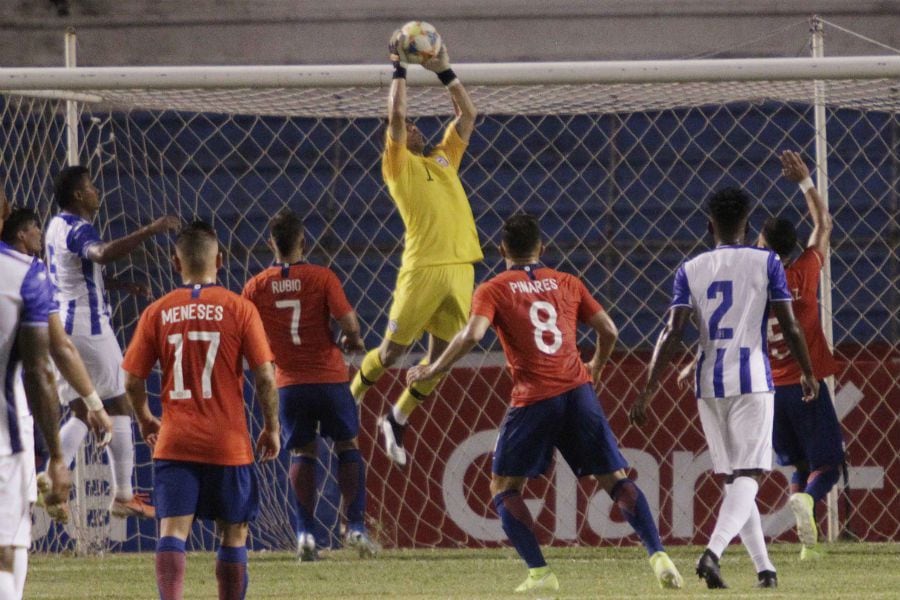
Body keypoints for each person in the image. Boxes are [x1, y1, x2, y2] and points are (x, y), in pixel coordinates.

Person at [408, 214, 683, 594]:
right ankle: (657, 554)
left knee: (503, 486)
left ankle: (540, 573)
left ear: (502, 250)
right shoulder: (569, 282)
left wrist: (433, 366)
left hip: (534, 397)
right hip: (578, 391)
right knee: (615, 481)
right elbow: (609, 330)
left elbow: (473, 334)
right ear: (542, 248)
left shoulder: (493, 288)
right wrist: (596, 367)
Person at [630, 187, 819, 589]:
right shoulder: (766, 261)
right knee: (749, 474)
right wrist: (806, 370)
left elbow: (673, 331)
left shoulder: (690, 268)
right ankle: (712, 552)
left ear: (709, 225)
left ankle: (764, 570)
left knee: (737, 481)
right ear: (748, 226)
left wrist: (648, 388)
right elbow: (789, 323)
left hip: (709, 385)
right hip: (751, 379)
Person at [122, 221, 280, 600]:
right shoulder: (240, 309)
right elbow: (265, 378)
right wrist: (272, 426)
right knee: (233, 532)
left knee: (172, 531)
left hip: (175, 443)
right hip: (228, 444)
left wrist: (145, 417)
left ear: (176, 263)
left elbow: (130, 379)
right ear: (220, 261)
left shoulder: (157, 312)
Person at [349, 30, 482, 467]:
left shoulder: (443, 159)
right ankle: (347, 402)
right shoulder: (398, 165)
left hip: (462, 267)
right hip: (422, 268)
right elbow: (395, 116)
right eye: (408, 126)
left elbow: (468, 115)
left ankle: (397, 418)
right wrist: (399, 69)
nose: (414, 126)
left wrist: (444, 70)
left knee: (440, 361)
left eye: (415, 124)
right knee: (390, 355)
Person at [242, 209, 377, 561]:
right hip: (329, 379)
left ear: (271, 243)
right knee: (348, 444)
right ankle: (357, 528)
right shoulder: (322, 277)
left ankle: (305, 535)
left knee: (303, 452)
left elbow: (242, 331)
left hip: (288, 384)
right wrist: (353, 340)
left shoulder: (256, 285)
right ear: (303, 240)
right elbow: (348, 322)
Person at [45, 165, 178, 519]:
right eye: (90, 187)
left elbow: (74, 273)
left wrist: (117, 286)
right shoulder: (78, 228)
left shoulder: (54, 226)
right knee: (119, 403)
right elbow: (100, 254)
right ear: (78, 195)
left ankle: (47, 477)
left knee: (82, 410)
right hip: (89, 329)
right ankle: (123, 494)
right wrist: (151, 229)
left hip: (63, 325)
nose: (96, 192)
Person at [759, 150, 845, 560]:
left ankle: (807, 546)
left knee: (799, 465)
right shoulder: (805, 270)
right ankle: (809, 503)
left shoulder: (755, 283)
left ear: (763, 246)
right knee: (828, 467)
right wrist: (805, 182)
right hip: (805, 385)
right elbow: (823, 224)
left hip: (770, 391)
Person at [2, 207, 113, 516]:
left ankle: (37, 481)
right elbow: (55, 353)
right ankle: (42, 480)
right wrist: (95, 406)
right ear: (21, 233)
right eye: (35, 227)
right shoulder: (29, 272)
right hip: (10, 409)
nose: (39, 232)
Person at [0, 190, 71, 600]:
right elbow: (40, 367)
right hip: (4, 441)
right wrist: (58, 456)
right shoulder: (25, 273)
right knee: (6, 556)